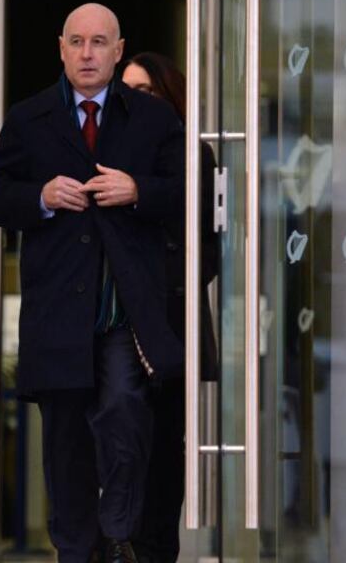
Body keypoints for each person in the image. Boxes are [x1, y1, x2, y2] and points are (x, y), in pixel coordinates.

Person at [0, 3, 185, 563]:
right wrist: (41, 198)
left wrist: (137, 189)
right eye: (77, 42)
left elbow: (187, 195)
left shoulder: (152, 119)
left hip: (123, 311)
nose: (88, 53)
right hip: (58, 314)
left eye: (100, 42)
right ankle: (76, 551)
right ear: (61, 48)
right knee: (66, 439)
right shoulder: (29, 117)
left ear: (119, 51)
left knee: (124, 409)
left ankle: (118, 531)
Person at [122, 52, 220, 563]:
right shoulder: (103, 152)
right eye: (127, 90)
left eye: (145, 92)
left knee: (162, 458)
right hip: (114, 329)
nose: (132, 101)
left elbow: (206, 254)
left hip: (168, 329)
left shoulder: (193, 156)